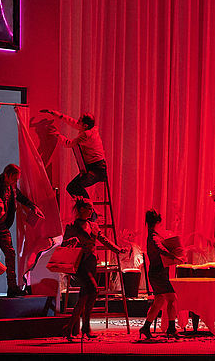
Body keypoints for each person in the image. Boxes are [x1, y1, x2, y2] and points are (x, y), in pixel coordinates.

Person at [62, 199, 125, 340]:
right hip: (80, 263)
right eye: (89, 208)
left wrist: (118, 249)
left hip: (91, 262)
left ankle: (72, 327)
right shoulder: (71, 226)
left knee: (84, 296)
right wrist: (71, 241)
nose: (92, 211)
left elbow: (104, 239)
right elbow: (63, 244)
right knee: (94, 290)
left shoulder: (93, 225)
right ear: (81, 209)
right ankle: (81, 327)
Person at [0, 164, 44, 297]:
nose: (15, 181)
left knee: (10, 254)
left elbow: (20, 196)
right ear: (7, 175)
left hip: (2, 226)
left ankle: (12, 287)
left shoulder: (12, 186)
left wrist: (33, 206)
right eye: (14, 178)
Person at [41, 109, 107, 199]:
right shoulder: (88, 129)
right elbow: (72, 122)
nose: (77, 122)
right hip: (94, 167)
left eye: (79, 121)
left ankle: (88, 206)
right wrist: (57, 114)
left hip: (97, 169)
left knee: (73, 187)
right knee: (72, 187)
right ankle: (86, 205)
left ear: (85, 125)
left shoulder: (87, 135)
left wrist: (56, 134)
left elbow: (69, 144)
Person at [140, 209, 179, 339]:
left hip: (156, 272)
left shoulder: (151, 235)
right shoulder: (154, 236)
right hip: (159, 273)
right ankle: (171, 328)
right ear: (158, 222)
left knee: (159, 301)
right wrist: (172, 255)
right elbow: (159, 248)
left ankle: (145, 327)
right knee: (172, 299)